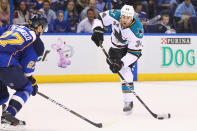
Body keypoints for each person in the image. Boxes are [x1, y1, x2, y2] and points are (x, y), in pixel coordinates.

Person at [91, 5, 144, 115]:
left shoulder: (137, 30)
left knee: (126, 73)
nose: (124, 19)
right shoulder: (115, 14)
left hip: (129, 51)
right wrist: (97, 30)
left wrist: (121, 63)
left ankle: (128, 102)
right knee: (122, 72)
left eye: (127, 18)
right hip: (115, 49)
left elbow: (135, 53)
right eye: (123, 17)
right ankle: (128, 101)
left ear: (132, 17)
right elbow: (99, 17)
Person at [0, 13, 48, 128]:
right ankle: (8, 116)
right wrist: (32, 82)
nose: (43, 31)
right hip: (5, 64)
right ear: (40, 27)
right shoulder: (36, 42)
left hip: (4, 64)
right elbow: (27, 68)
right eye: (43, 28)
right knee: (26, 88)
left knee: (3, 96)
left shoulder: (11, 27)